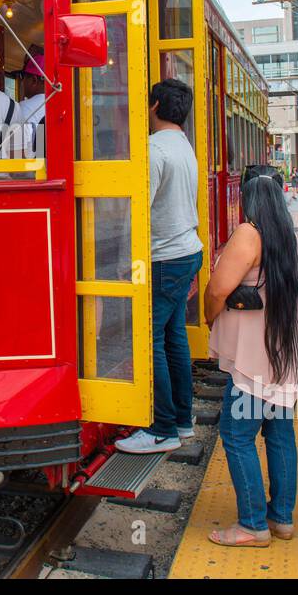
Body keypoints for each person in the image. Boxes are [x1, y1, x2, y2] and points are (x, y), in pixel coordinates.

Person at [204, 175, 298, 547]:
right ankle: (280, 519)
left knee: (237, 436)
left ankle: (253, 525)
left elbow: (219, 289)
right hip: (284, 351)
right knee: (279, 433)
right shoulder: (285, 235)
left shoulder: (248, 233)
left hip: (254, 358)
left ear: (247, 201)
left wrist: (211, 319)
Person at [115, 79, 204, 454]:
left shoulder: (153, 149)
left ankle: (161, 427)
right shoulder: (184, 146)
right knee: (173, 337)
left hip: (163, 257)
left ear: (153, 106)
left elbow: (138, 210)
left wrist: (122, 261)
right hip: (186, 251)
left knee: (150, 340)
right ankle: (182, 420)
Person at [15, 47, 48, 158]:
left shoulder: (20, 109)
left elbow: (16, 154)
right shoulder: (61, 106)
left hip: (31, 171)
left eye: (23, 77)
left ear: (34, 80)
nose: (22, 82)